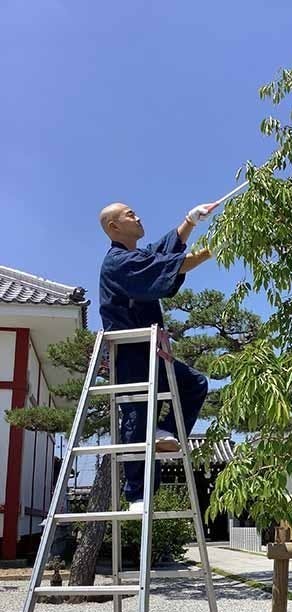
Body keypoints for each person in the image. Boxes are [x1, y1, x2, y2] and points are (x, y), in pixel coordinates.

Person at [98, 201, 214, 511]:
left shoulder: (136, 255)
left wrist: (190, 220)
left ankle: (167, 436)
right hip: (131, 352)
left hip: (154, 351)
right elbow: (165, 265)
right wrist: (211, 251)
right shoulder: (118, 262)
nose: (138, 216)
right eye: (130, 214)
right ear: (114, 227)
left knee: (194, 384)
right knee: (137, 416)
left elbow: (162, 252)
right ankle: (136, 493)